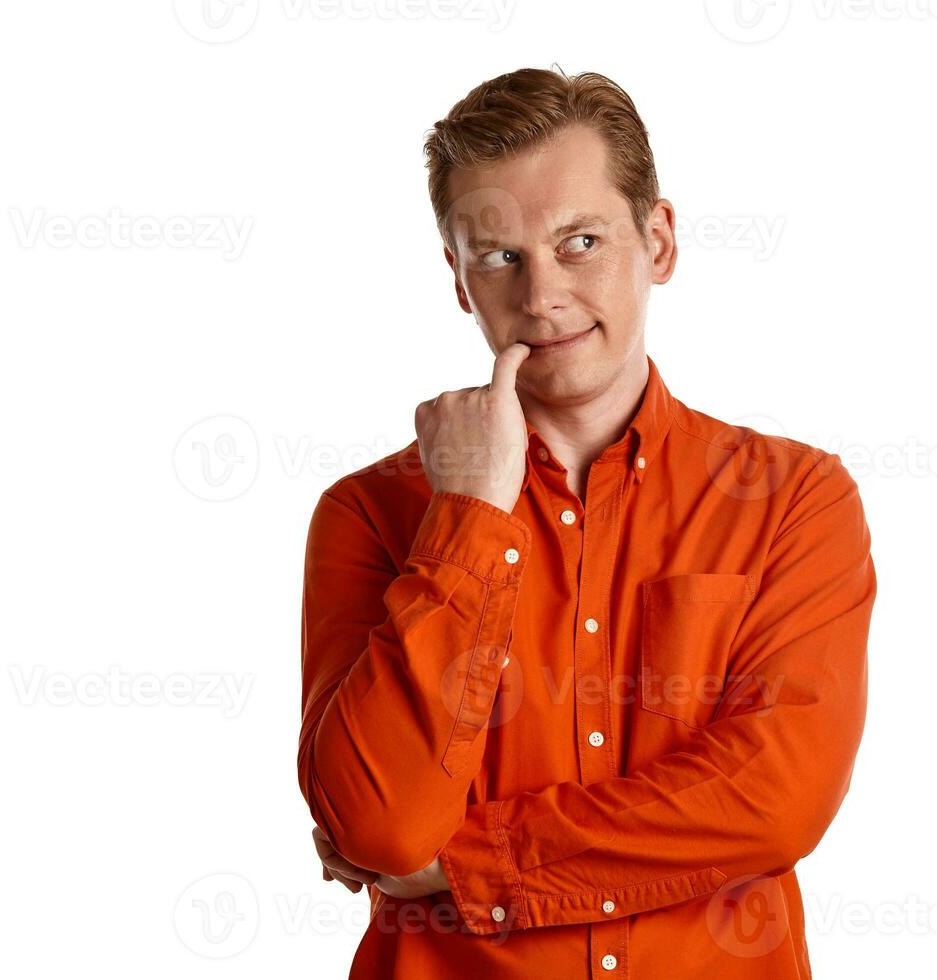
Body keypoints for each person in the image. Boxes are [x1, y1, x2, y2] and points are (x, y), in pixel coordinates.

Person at [299, 66, 876, 978]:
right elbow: (378, 825)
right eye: (500, 257)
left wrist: (462, 864)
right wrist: (467, 518)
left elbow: (777, 799)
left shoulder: (794, 499)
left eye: (579, 242)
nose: (541, 297)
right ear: (458, 280)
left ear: (658, 241)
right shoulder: (371, 515)